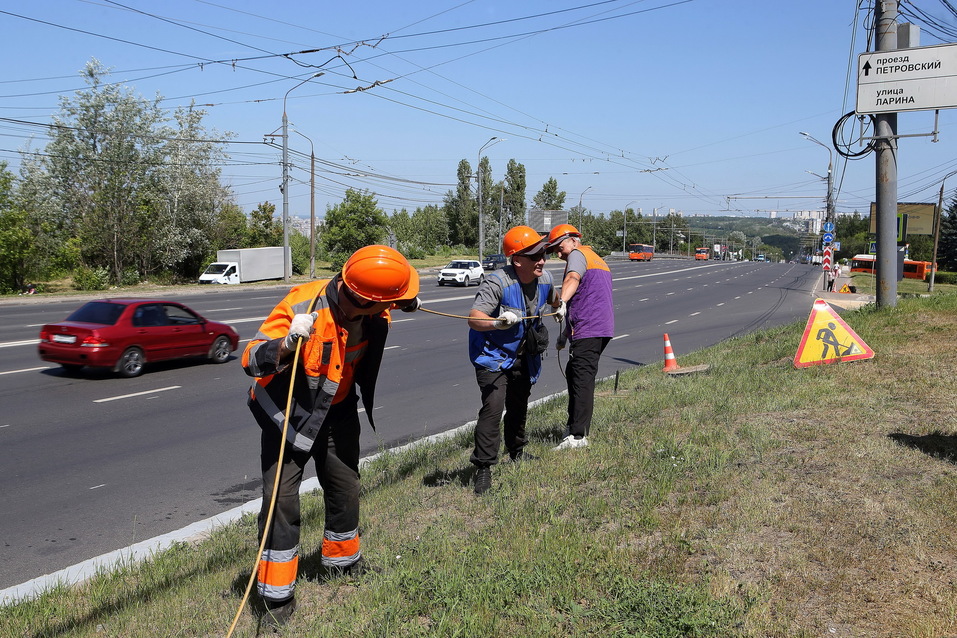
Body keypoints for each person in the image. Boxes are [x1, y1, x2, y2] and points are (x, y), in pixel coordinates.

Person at [241, 245, 421, 626]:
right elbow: (251, 358)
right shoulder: (304, 305)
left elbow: (391, 299)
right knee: (281, 501)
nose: (389, 308)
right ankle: (276, 598)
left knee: (344, 486)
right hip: (288, 416)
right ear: (361, 297)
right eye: (387, 303)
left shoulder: (369, 303)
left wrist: (407, 300)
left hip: (337, 411)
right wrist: (287, 344)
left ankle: (342, 563)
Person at [467, 226, 556, 495]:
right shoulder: (497, 282)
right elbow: (474, 318)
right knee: (493, 408)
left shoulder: (545, 278)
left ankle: (516, 451)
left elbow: (553, 299)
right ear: (517, 260)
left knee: (518, 404)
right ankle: (483, 467)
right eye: (535, 255)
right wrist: (497, 321)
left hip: (525, 357)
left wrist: (560, 307)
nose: (542, 259)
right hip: (492, 357)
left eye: (543, 254)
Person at [546, 223, 614, 450]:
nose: (558, 253)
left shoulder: (577, 255)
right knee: (575, 374)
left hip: (589, 330)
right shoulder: (596, 258)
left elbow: (573, 279)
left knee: (581, 380)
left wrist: (561, 302)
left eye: (559, 246)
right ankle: (574, 426)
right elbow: (586, 300)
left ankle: (577, 436)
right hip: (597, 328)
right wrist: (565, 335)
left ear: (573, 240)